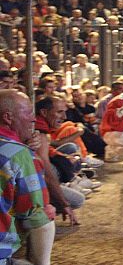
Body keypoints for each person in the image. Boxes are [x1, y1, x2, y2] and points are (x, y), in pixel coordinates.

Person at [0, 90, 55, 264]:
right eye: (28, 112)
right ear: (8, 118)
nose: (33, 119)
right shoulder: (20, 155)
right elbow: (34, 216)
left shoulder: (19, 150)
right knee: (44, 215)